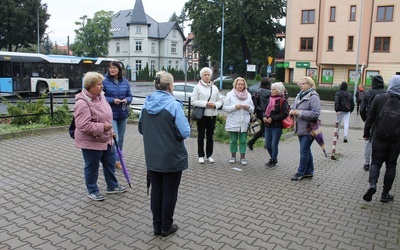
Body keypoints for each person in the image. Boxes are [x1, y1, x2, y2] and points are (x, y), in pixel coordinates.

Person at [138, 71, 191, 237]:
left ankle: (156, 225)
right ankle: (166, 226)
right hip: (172, 156)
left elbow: (141, 128)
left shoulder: (146, 104)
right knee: (169, 191)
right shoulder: (174, 105)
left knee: (156, 190)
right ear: (170, 86)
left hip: (152, 155)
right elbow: (185, 131)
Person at [73, 72, 127, 201]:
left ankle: (112, 186)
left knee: (109, 163)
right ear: (90, 86)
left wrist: (111, 130)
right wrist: (102, 128)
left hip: (106, 138)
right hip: (91, 141)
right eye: (99, 84)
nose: (102, 86)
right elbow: (83, 125)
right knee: (92, 166)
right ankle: (92, 190)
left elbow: (107, 116)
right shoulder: (82, 102)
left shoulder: (101, 96)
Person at [362, 75, 400, 203]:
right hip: (396, 140)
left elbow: (370, 118)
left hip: (379, 137)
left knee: (376, 163)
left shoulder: (379, 98)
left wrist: (366, 133)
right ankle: (385, 194)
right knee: (391, 166)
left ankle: (372, 185)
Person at [289, 76, 321, 181]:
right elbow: (295, 107)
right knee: (306, 150)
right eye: (300, 83)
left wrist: (299, 113)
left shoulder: (313, 96)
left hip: (309, 128)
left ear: (310, 85)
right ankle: (309, 172)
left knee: (304, 150)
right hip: (300, 127)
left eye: (303, 84)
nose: (300, 85)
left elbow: (315, 113)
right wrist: (292, 111)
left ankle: (300, 172)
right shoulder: (299, 95)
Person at [103, 61, 133, 170]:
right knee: (115, 137)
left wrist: (126, 100)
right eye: (110, 68)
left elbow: (130, 96)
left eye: (114, 67)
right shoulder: (104, 81)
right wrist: (112, 100)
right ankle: (114, 160)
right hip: (110, 114)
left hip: (123, 113)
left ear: (119, 69)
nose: (112, 69)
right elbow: (101, 97)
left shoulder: (125, 82)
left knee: (121, 139)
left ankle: (118, 159)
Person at [191, 67, 223, 164]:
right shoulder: (197, 87)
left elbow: (219, 100)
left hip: (212, 114)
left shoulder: (215, 87)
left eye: (208, 74)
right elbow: (193, 101)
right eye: (204, 75)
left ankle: (209, 155)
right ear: (201, 76)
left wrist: (215, 105)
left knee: (210, 136)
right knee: (201, 135)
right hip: (202, 115)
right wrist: (206, 104)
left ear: (210, 76)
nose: (206, 76)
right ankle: (201, 155)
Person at [222, 77, 254, 165]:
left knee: (243, 140)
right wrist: (234, 107)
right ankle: (233, 156)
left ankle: (243, 158)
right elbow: (225, 107)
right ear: (235, 85)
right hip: (233, 121)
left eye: (242, 84)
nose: (240, 86)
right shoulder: (230, 94)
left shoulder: (248, 95)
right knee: (233, 140)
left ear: (244, 85)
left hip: (244, 121)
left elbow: (252, 109)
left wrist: (248, 107)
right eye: (238, 84)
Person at [359, 74, 385, 171]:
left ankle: (366, 163)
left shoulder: (368, 93)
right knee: (379, 142)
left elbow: (362, 109)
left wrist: (365, 119)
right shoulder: (385, 93)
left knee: (368, 142)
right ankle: (376, 162)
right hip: (382, 121)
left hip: (370, 120)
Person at [264, 82, 289, 168]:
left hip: (277, 126)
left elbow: (285, 113)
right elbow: (264, 110)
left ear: (278, 90)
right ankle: (273, 158)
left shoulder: (282, 101)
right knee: (267, 145)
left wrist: (273, 118)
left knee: (274, 144)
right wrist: (264, 116)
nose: (271, 91)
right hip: (268, 125)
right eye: (271, 89)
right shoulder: (269, 99)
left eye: (274, 89)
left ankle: (273, 160)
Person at [247, 77, 271, 150]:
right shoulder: (269, 92)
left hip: (259, 111)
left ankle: (264, 143)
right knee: (264, 129)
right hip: (266, 112)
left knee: (265, 128)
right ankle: (251, 142)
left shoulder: (257, 91)